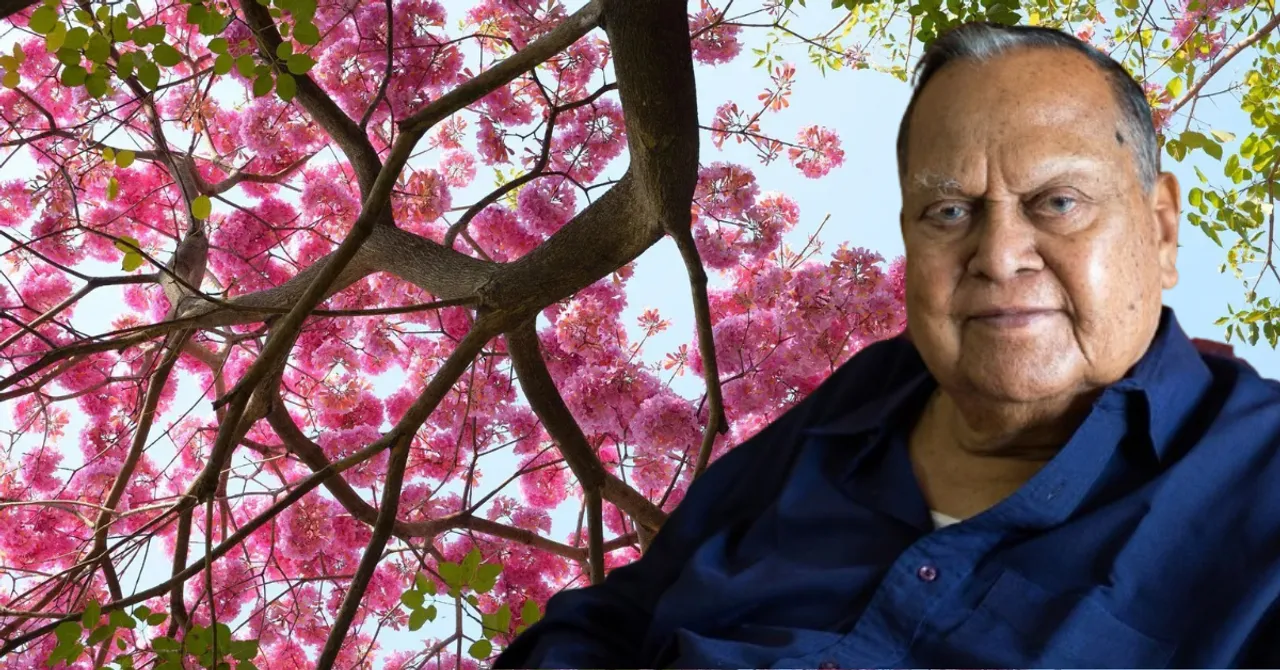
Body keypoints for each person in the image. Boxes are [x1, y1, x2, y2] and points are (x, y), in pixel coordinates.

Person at [494, 20, 1280, 669]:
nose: (999, 255)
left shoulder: (1259, 478)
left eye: (1058, 202)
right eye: (949, 213)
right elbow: (615, 619)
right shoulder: (865, 400)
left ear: (1161, 229)